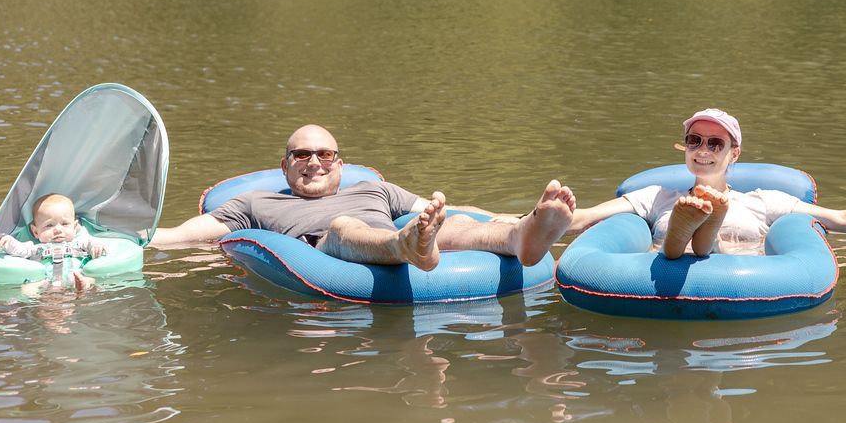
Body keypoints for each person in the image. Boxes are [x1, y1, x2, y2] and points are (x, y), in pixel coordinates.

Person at [149, 124, 576, 270]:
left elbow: (460, 210)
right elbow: (186, 234)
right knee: (342, 227)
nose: (313, 161)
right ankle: (409, 245)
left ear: (339, 163)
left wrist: (521, 216)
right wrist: (128, 236)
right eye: (301, 154)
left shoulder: (375, 189)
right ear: (285, 165)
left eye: (324, 154)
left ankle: (521, 238)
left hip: (402, 233)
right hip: (328, 247)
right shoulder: (256, 203)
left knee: (445, 224)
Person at [565, 108, 846, 258]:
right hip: (667, 274)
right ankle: (691, 232)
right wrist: (540, 217)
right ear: (685, 146)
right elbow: (587, 217)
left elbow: (841, 218)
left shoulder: (762, 200)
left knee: (716, 245)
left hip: (735, 273)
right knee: (674, 246)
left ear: (734, 154)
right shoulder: (658, 195)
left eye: (715, 144)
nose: (702, 150)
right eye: (694, 140)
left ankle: (706, 232)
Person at [0, 192, 108, 291]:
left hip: (74, 276)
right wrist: (6, 240)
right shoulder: (35, 248)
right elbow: (19, 249)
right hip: (47, 282)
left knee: (88, 279)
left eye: (64, 224)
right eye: (49, 225)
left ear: (75, 227)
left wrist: (95, 246)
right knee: (28, 288)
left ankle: (82, 285)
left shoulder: (80, 243)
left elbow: (90, 244)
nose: (58, 230)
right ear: (36, 232)